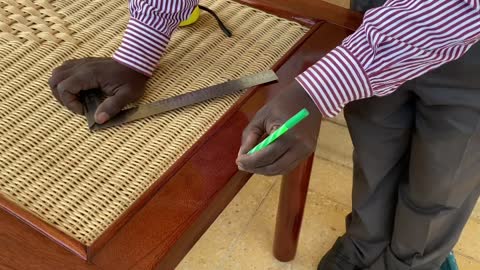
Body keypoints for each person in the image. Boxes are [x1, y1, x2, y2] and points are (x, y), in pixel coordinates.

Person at [49, 0, 480, 269]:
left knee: (442, 179)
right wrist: (139, 50)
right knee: (376, 147)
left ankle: (413, 262)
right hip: (380, 18)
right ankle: (364, 245)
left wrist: (323, 87)